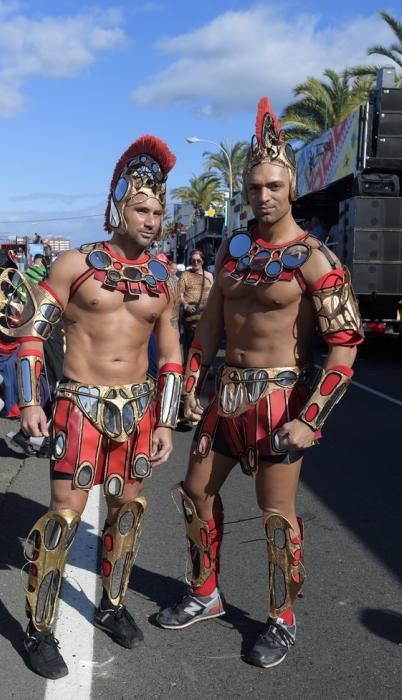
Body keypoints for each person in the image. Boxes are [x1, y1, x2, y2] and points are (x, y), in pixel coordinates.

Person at [157, 98, 364, 669]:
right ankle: (206, 593)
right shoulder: (231, 250)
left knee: (277, 515)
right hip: (226, 394)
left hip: (280, 397)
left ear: (290, 187)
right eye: (254, 187)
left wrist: (310, 419)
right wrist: (192, 392)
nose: (263, 196)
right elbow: (207, 334)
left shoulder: (315, 259)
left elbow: (345, 343)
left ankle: (282, 617)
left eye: (273, 185)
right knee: (195, 490)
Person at [0, 135, 182, 679]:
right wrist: (31, 399)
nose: (150, 220)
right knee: (64, 519)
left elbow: (171, 354)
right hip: (78, 407)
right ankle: (40, 630)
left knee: (126, 517)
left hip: (140, 412)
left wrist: (167, 420)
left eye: (157, 211)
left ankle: (113, 606)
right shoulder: (72, 265)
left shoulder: (163, 277)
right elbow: (32, 337)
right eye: (141, 208)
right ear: (118, 205)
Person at [179, 249, 213, 362]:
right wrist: (186, 306)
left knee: (204, 344)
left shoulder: (209, 276)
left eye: (198, 260)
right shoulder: (185, 275)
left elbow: (213, 295)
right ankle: (188, 368)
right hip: (190, 317)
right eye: (193, 260)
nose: (195, 263)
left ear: (203, 261)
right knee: (189, 346)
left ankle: (204, 366)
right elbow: (179, 294)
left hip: (205, 317)